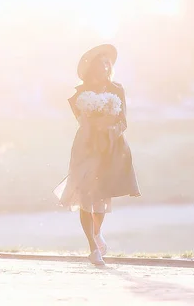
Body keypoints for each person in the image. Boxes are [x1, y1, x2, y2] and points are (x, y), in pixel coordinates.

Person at [54, 44, 141, 266]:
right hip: (86, 147)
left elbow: (123, 121)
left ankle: (96, 233)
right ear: (92, 67)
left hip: (109, 148)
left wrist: (109, 131)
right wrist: (93, 125)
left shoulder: (117, 90)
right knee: (85, 194)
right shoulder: (80, 94)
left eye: (107, 63)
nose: (105, 66)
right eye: (100, 63)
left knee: (101, 196)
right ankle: (93, 248)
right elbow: (81, 120)